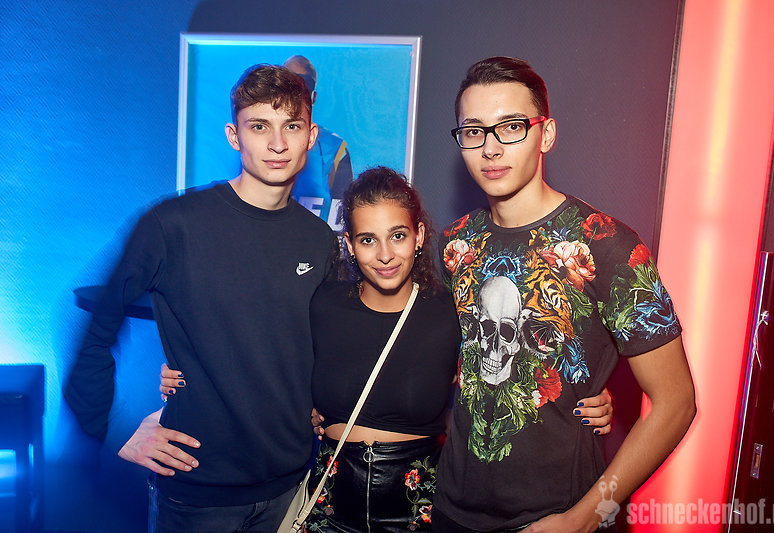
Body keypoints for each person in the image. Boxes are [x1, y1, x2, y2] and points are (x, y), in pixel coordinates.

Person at [160, 168, 614, 532]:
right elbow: (257, 355)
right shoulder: (322, 305)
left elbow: (505, 364)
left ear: (419, 236)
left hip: (417, 510)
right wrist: (172, 391)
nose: (384, 254)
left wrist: (591, 394)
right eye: (367, 239)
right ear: (349, 245)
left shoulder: (452, 311)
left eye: (397, 235)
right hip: (327, 506)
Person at [63, 63, 338, 532]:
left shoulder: (319, 240)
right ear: (234, 136)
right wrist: (113, 428)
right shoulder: (174, 224)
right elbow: (95, 326)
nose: (277, 144)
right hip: (197, 493)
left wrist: (319, 401)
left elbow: (316, 344)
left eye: (291, 126)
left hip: (292, 488)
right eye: (259, 127)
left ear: (310, 136)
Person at [432, 56, 697, 532]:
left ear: (546, 134)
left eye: (511, 126)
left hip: (555, 517)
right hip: (453, 512)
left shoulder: (606, 245)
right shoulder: (454, 244)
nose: (490, 147)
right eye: (474, 131)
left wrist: (584, 518)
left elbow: (676, 402)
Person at [284, 54, 354, 230]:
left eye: (304, 84)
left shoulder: (334, 148)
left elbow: (343, 218)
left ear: (313, 96)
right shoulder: (260, 141)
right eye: (288, 82)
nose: (296, 92)